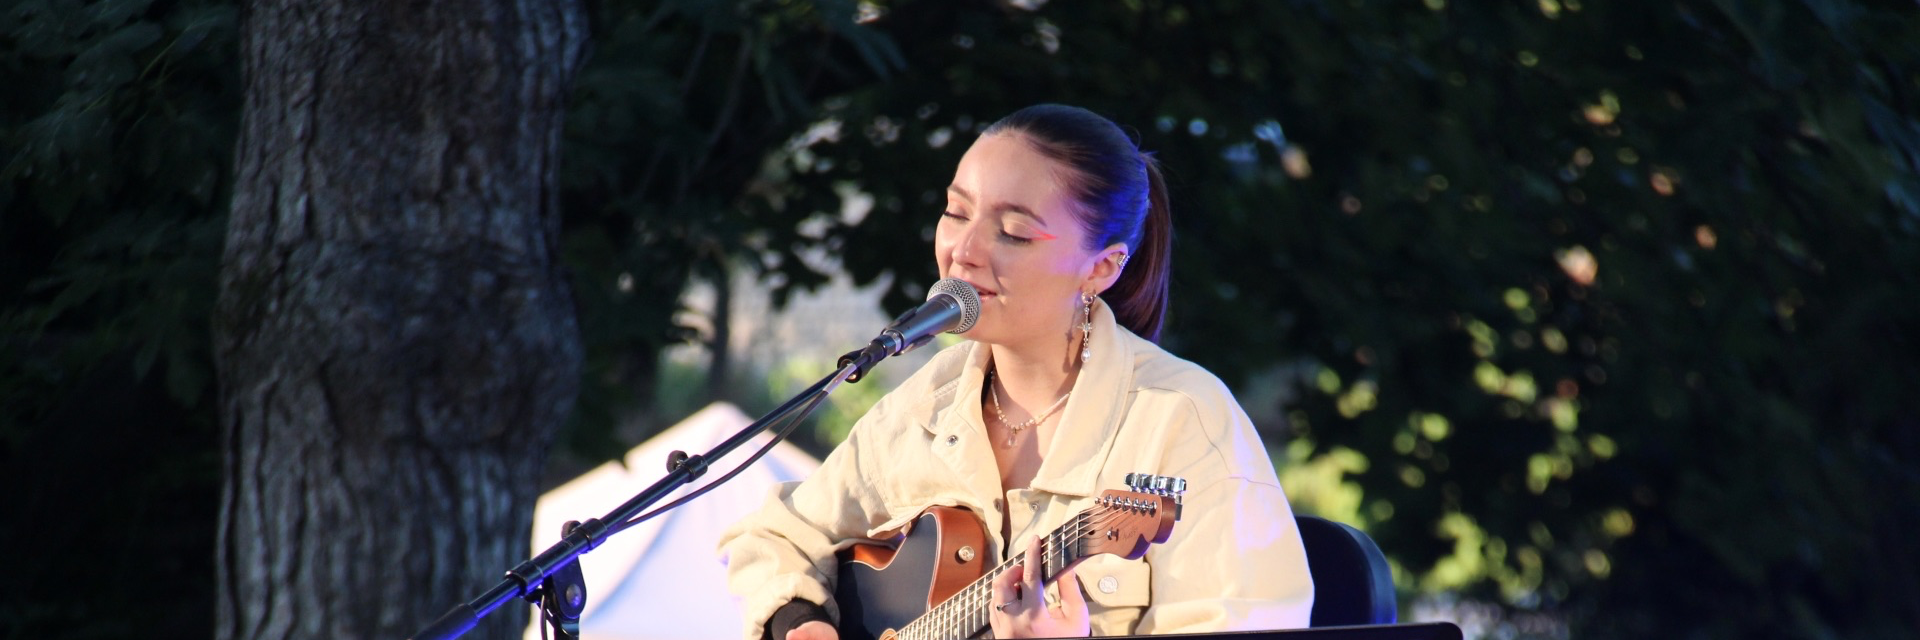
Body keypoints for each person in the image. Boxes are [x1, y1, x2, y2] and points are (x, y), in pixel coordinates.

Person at [718, 104, 1313, 639]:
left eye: (1014, 232)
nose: (964, 250)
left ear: (1102, 268)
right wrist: (803, 629)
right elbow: (773, 537)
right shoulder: (929, 400)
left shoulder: (1182, 419)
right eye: (956, 213)